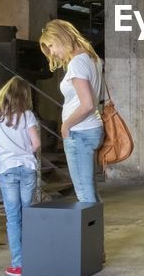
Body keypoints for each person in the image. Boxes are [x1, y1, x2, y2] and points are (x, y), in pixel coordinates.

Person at [39, 19, 104, 204]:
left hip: (80, 132)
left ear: (62, 37)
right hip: (90, 129)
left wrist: (66, 126)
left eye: (51, 45)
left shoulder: (77, 63)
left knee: (84, 192)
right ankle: (95, 231)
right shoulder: (93, 59)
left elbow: (87, 104)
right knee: (89, 188)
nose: (52, 52)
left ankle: (91, 233)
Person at [0, 76, 41, 276]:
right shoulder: (27, 116)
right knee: (29, 215)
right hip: (27, 167)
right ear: (24, 96)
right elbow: (36, 144)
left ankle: (18, 264)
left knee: (13, 218)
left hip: (7, 169)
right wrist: (25, 150)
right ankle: (35, 260)